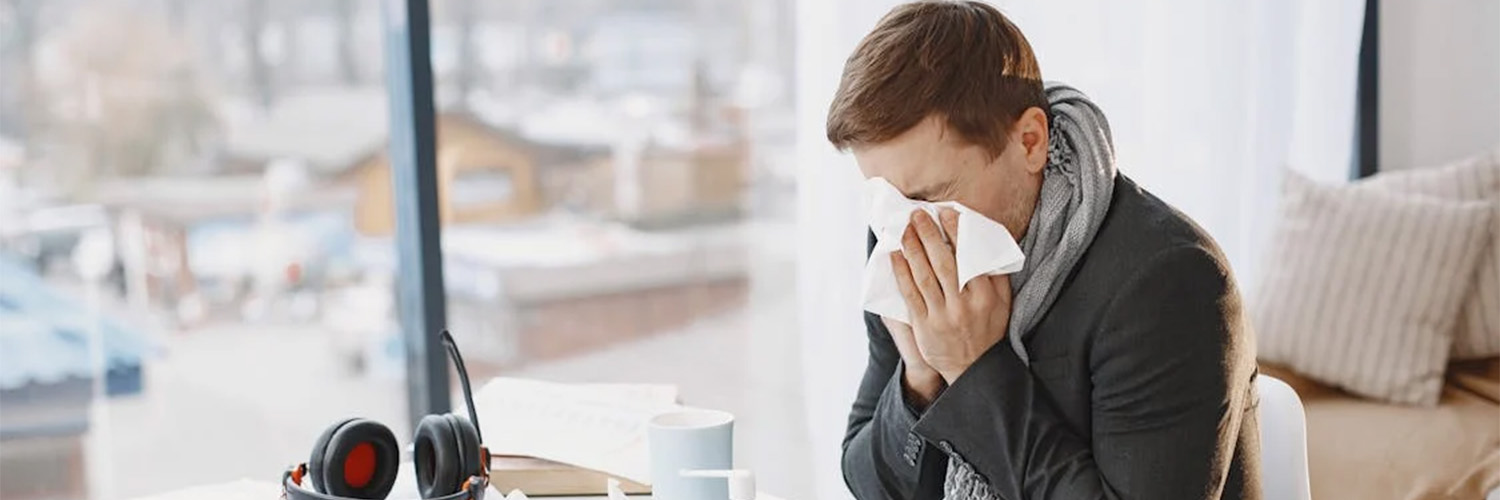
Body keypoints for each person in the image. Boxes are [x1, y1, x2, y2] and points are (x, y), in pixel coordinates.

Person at [829, 2, 1261, 499]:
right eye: (887, 196)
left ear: (1030, 142)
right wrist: (921, 379)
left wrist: (973, 371)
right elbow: (868, 483)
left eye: (933, 194)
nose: (909, 225)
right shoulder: (902, 233)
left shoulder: (1170, 283)